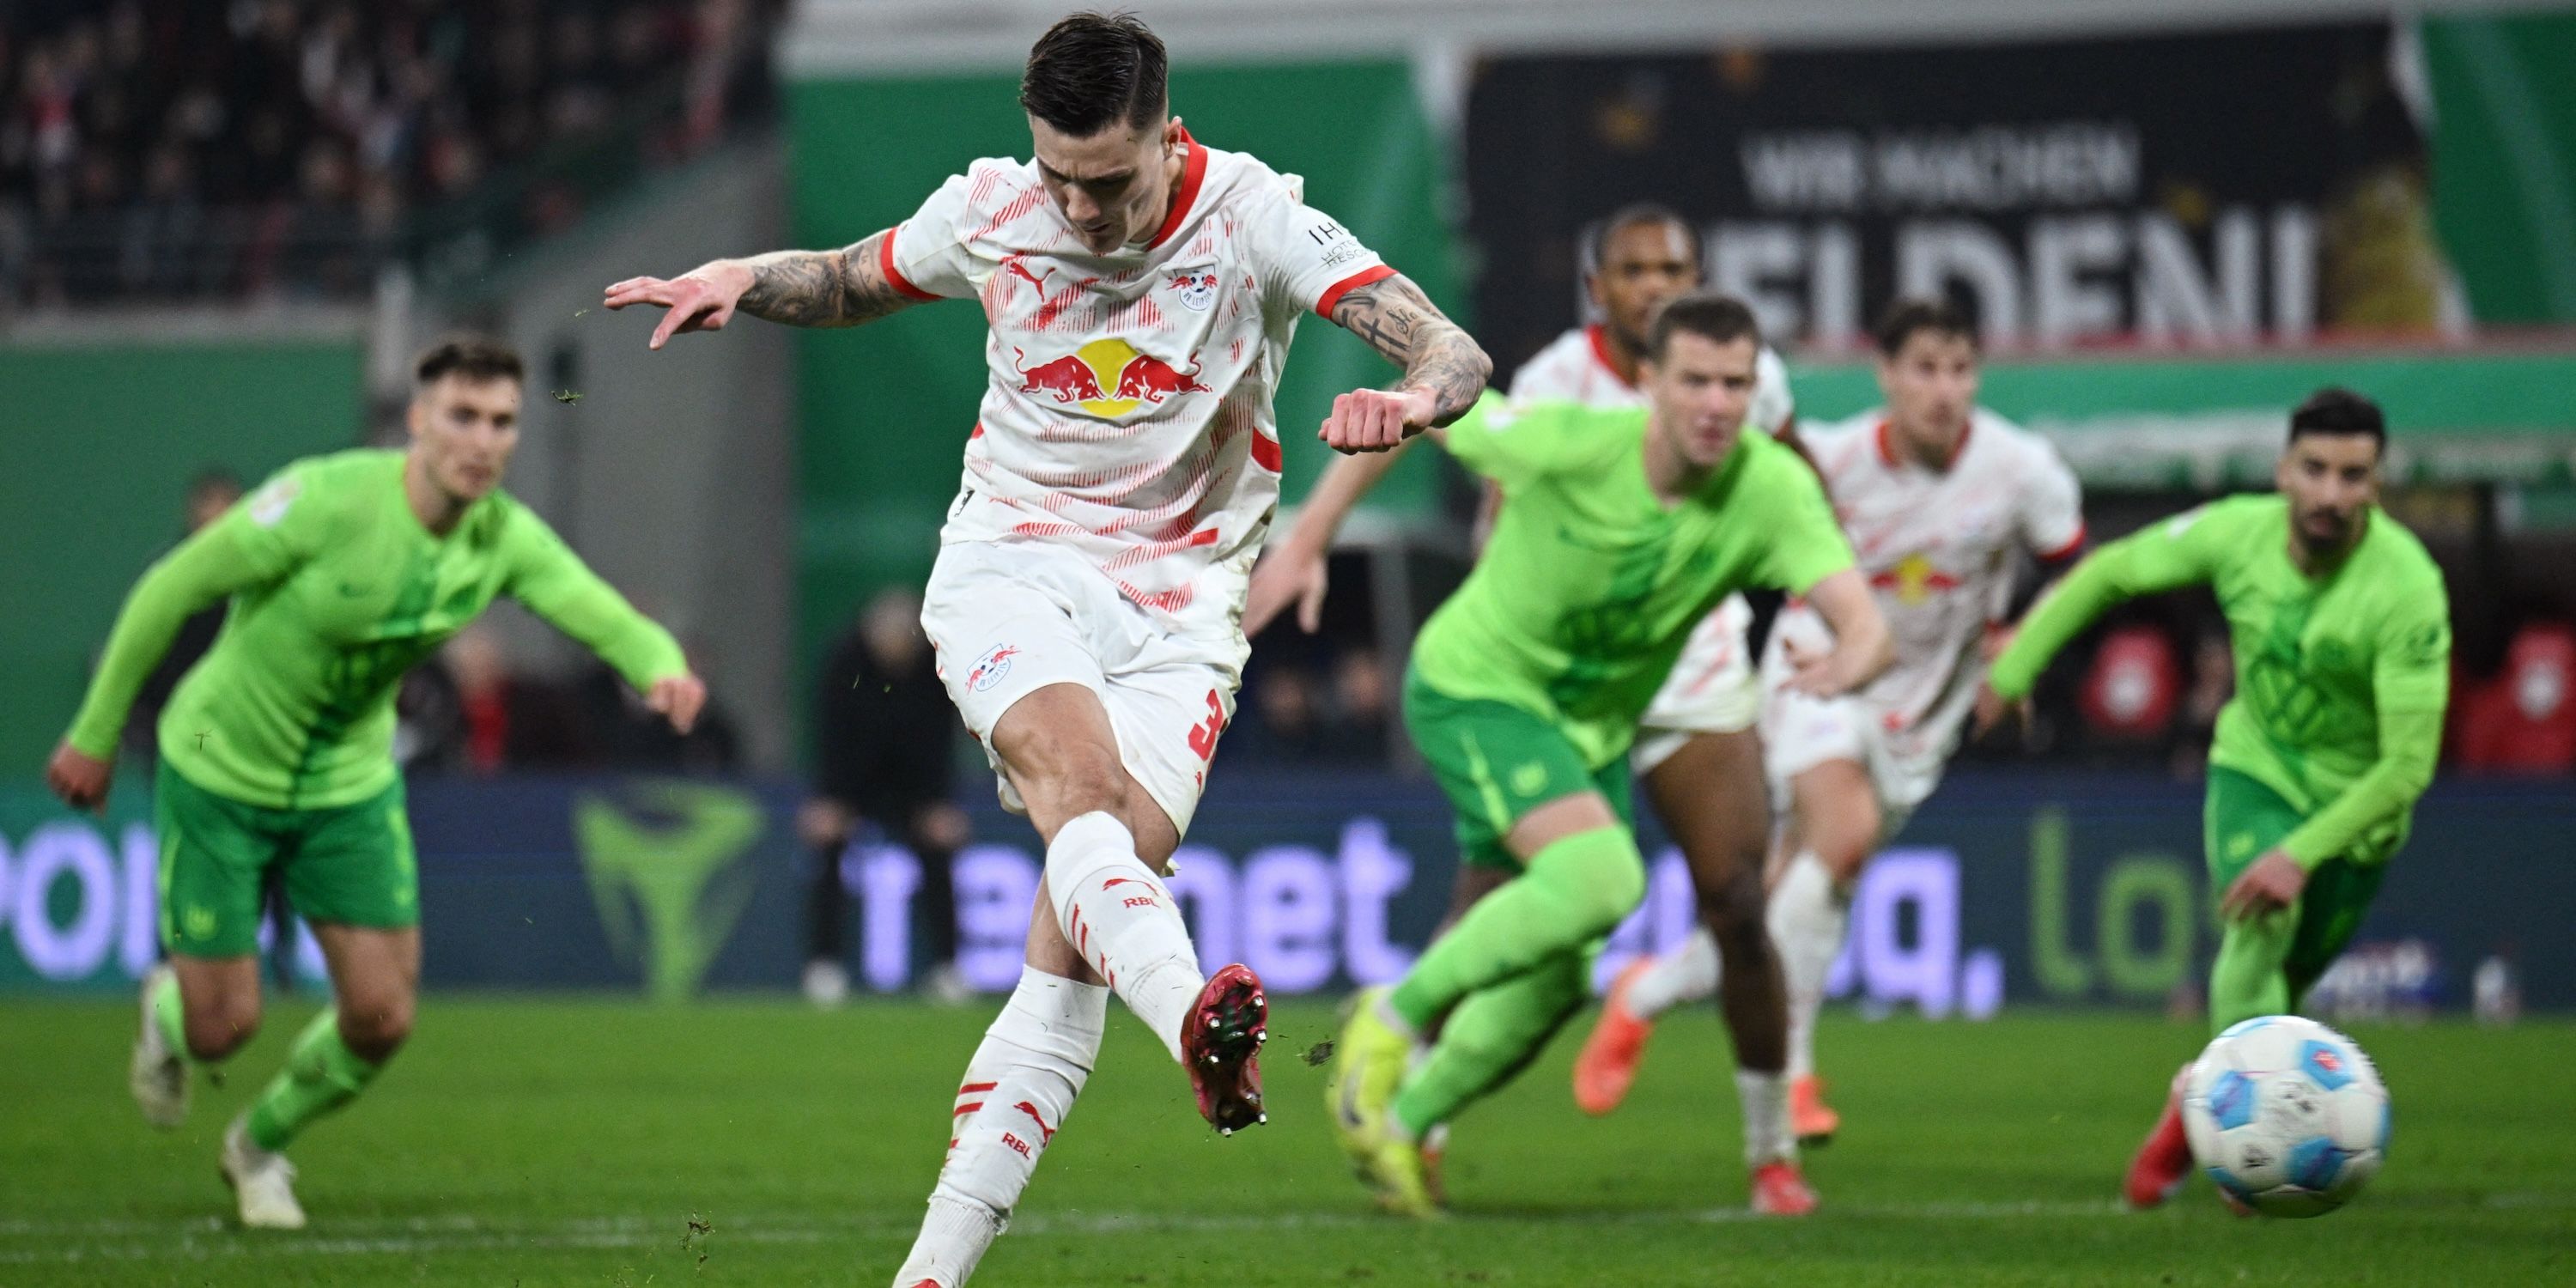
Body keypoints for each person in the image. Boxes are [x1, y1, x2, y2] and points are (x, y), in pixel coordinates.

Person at [605, 13, 1489, 1285]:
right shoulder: (995, 209)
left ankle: (928, 1276)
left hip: (1188, 609)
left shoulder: (1253, 219)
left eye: (1108, 180)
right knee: (1077, 794)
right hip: (1014, 559)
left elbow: (1450, 346)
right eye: (1058, 175)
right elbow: (857, 278)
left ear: (1165, 136)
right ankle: (1192, 1013)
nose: (1077, 208)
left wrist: (1412, 401)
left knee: (1070, 955)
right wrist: (746, 276)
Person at [46, 336, 707, 1230]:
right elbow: (172, 586)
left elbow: (591, 607)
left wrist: (659, 663)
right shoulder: (325, 500)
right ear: (418, 423)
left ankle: (259, 1146)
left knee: (383, 1015)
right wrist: (93, 731)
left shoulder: (500, 537)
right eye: (463, 417)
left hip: (347, 790)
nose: (483, 440)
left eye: (503, 421)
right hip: (221, 770)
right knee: (221, 1028)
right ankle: (166, 1011)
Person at [1252, 204, 1810, 1209]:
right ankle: (1411, 1104)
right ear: (1600, 290)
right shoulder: (1554, 383)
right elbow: (1432, 426)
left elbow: (1795, 502)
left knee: (1734, 902)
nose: (1658, 284)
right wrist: (1311, 536)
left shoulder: (1747, 385)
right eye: (1636, 268)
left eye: (1675, 265)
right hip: (1545, 686)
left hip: (1686, 677)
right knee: (1517, 921)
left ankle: (1772, 1153)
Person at [1576, 298, 2087, 1144]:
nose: (1943, 389)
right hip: (1822, 671)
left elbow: (2078, 569)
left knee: (1788, 895)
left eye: (1959, 369)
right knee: (1840, 831)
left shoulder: (2022, 469)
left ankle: (1650, 989)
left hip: (1927, 710)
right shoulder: (1834, 459)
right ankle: (1798, 1072)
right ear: (1885, 374)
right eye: (1923, 368)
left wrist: (2017, 647)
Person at [1981, 387, 2448, 1209]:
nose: (2331, 494)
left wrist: (2302, 854)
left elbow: (2407, 769)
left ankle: (2191, 1109)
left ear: (2377, 484)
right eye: (2315, 470)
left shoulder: (2408, 591)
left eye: (2353, 476)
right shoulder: (2237, 533)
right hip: (2255, 771)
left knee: (2281, 1004)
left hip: (2357, 818)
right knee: (2257, 932)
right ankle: (2251, 1172)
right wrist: (2015, 669)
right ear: (2283, 471)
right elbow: (2111, 573)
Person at [803, 586, 974, 1006]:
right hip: (852, 782)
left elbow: (941, 738)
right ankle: (823, 966)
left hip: (914, 783)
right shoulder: (843, 662)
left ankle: (947, 968)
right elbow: (830, 734)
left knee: (937, 855)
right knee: (828, 852)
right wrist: (829, 799)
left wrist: (939, 803)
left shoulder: (935, 669)